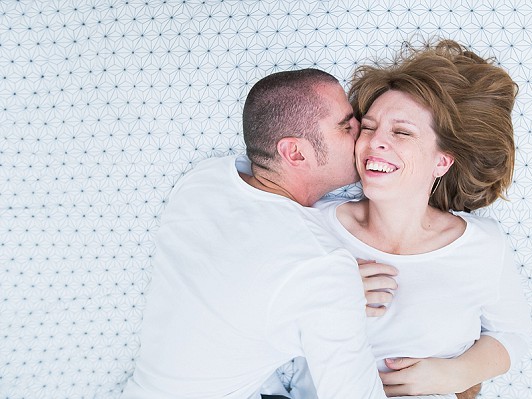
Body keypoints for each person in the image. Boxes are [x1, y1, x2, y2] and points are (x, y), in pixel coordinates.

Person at [280, 40, 532, 399]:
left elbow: (512, 336)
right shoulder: (311, 225)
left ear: (442, 162)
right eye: (368, 127)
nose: (375, 142)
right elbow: (253, 321)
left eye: (401, 132)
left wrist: (456, 374)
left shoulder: (482, 245)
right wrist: (329, 296)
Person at [122, 69, 385, 398]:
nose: (364, 131)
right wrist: (336, 289)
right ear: (295, 153)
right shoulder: (321, 266)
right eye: (347, 126)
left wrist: (323, 293)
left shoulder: (204, 181)